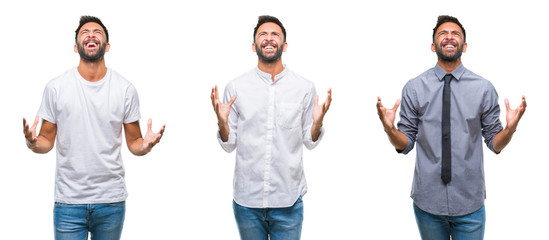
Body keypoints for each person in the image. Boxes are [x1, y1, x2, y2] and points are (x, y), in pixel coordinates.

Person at [376, 15, 526, 239]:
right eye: (442, 34)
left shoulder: (484, 89)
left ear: (464, 46)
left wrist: (510, 129)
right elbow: (405, 143)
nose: (449, 37)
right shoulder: (414, 88)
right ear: (433, 45)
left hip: (470, 203)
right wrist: (389, 129)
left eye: (455, 34)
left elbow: (495, 143)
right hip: (428, 202)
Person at [22, 16, 165, 240]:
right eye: (84, 32)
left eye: (97, 32)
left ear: (106, 46)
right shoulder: (56, 88)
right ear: (76, 45)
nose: (90, 34)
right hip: (68, 202)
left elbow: (134, 143)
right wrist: (32, 142)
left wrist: (145, 145)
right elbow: (46, 141)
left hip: (111, 201)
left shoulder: (125, 89)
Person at [210, 15, 332, 240]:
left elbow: (310, 140)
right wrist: (222, 122)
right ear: (254, 45)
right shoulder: (236, 88)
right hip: (247, 201)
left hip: (288, 200)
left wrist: (317, 123)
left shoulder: (304, 88)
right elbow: (229, 144)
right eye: (262, 34)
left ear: (284, 45)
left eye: (275, 34)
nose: (268, 38)